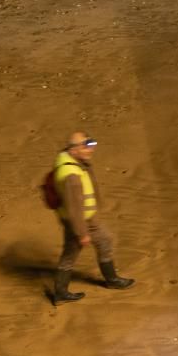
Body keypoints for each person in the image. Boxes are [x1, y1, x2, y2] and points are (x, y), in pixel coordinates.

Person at [50, 131, 134, 305]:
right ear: (73, 150)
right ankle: (60, 292)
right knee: (70, 254)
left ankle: (111, 280)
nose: (90, 149)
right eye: (86, 146)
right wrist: (81, 233)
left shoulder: (76, 163)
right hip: (78, 222)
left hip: (87, 219)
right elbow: (74, 207)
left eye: (91, 144)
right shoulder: (71, 175)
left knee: (105, 241)